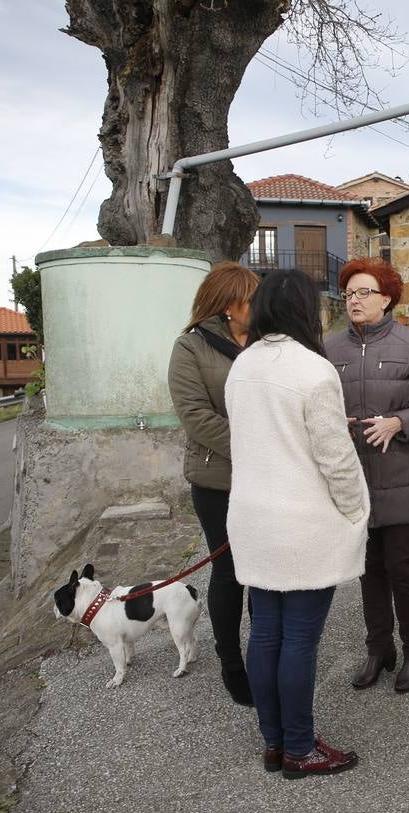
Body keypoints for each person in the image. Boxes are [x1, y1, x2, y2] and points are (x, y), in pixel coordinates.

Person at [225, 269, 369, 779]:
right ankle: (300, 748)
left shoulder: (242, 366)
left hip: (251, 519)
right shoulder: (313, 370)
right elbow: (335, 458)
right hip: (302, 523)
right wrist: (357, 511)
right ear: (307, 312)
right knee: (299, 640)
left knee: (265, 633)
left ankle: (274, 742)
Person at [324, 258, 409, 694]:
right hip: (353, 478)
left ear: (387, 298)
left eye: (364, 293)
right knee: (368, 568)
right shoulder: (329, 348)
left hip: (402, 474)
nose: (354, 300)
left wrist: (399, 422)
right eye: (349, 293)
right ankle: (379, 648)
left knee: (402, 567)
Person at [167, 261, 260, 707]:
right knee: (229, 573)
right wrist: (260, 446)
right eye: (250, 298)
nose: (258, 306)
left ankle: (265, 653)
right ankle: (231, 661)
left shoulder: (267, 343)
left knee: (264, 569)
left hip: (268, 479)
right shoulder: (190, 348)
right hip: (217, 480)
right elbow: (197, 418)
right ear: (227, 306)